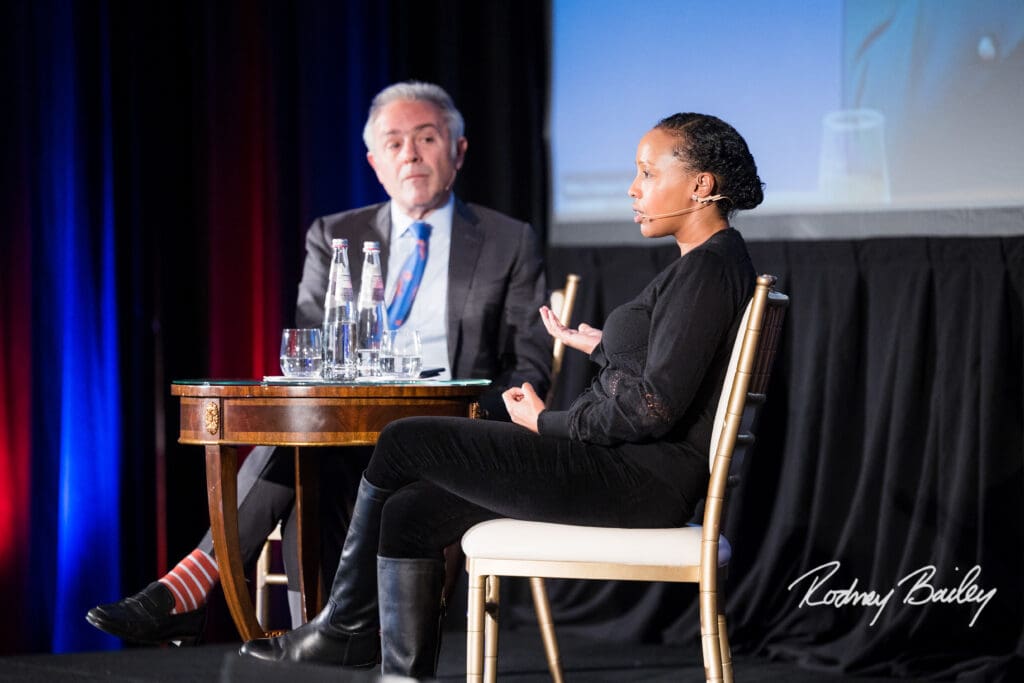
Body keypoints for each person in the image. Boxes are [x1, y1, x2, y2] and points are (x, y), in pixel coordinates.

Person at [237, 112, 765, 678]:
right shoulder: (711, 264)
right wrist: (604, 347)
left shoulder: (708, 269)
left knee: (404, 440)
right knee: (412, 513)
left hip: (637, 480)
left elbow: (653, 408)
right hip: (632, 471)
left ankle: (344, 628)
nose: (634, 189)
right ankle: (395, 669)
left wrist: (546, 423)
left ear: (700, 185)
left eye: (647, 173)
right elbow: (675, 370)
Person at [85, 81, 551, 645]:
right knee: (302, 449)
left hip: (447, 432)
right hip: (348, 428)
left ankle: (209, 594)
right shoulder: (336, 236)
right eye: (395, 142)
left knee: (304, 461)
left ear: (458, 150)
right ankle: (316, 635)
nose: (410, 154)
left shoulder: (507, 241)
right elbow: (315, 356)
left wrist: (473, 421)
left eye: (427, 138)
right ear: (375, 163)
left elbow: (530, 365)